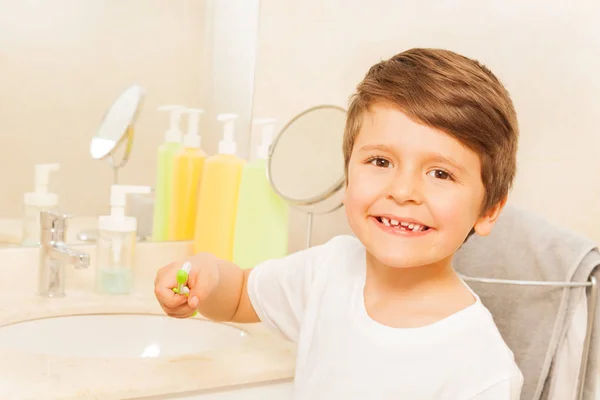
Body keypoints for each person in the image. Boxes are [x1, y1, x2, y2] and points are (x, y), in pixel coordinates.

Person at [154, 48, 523, 399]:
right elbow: (238, 297)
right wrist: (208, 278)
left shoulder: (481, 372)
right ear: (347, 175)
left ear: (488, 210)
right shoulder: (328, 270)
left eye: (440, 173)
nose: (403, 190)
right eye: (380, 162)